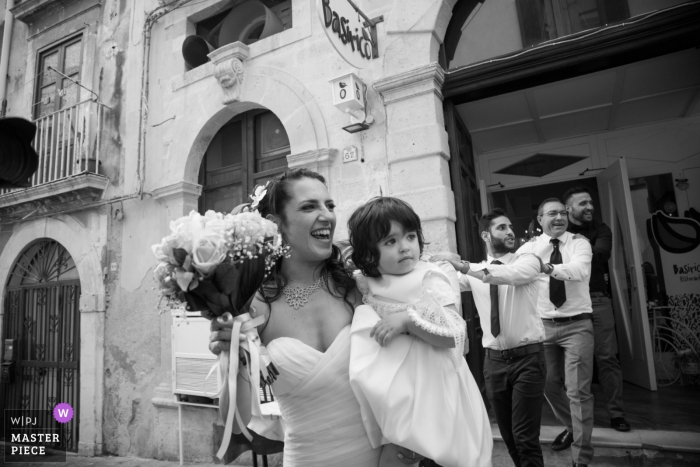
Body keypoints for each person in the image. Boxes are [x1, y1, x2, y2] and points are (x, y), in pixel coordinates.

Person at [206, 168, 421, 467]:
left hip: (385, 458)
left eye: (329, 206)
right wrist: (231, 359)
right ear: (274, 224)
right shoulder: (253, 309)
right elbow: (237, 420)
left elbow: (414, 367)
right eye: (310, 207)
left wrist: (403, 444)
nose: (328, 216)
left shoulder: (360, 288)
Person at [347, 197, 493, 467]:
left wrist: (408, 321)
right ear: (368, 253)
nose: (405, 247)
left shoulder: (430, 277)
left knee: (443, 450)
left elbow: (454, 333)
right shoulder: (366, 282)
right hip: (397, 388)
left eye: (410, 237)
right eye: (390, 242)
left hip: (436, 386)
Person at [435, 208, 547, 467]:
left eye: (510, 227)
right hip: (494, 364)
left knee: (525, 437)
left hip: (528, 361)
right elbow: (440, 283)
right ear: (486, 235)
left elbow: (505, 276)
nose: (510, 232)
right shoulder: (474, 273)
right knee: (508, 437)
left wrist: (462, 265)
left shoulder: (527, 261)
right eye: (501, 228)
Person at [517, 198, 594, 467]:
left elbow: (579, 270)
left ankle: (581, 458)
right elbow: (512, 275)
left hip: (577, 325)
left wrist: (546, 268)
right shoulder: (527, 249)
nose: (559, 217)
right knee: (548, 385)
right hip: (543, 326)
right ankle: (573, 428)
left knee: (578, 392)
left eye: (563, 212)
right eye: (552, 213)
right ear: (540, 220)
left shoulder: (579, 243)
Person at [564, 187, 631, 432]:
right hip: (570, 301)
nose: (590, 207)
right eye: (583, 203)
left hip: (597, 299)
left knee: (607, 357)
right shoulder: (559, 231)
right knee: (576, 361)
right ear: (569, 209)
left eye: (590, 202)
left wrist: (574, 249)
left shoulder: (602, 229)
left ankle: (616, 414)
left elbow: (602, 254)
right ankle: (578, 421)